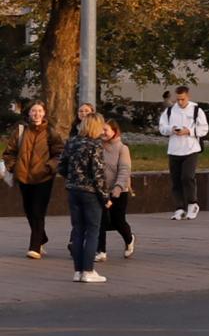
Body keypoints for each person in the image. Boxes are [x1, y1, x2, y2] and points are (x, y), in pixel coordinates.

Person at [2, 101, 64, 259]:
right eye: (34, 111)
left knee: (38, 211)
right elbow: (9, 152)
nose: (37, 114)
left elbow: (59, 153)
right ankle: (41, 237)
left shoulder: (50, 131)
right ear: (28, 113)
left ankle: (35, 247)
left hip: (43, 178)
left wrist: (49, 167)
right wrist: (13, 167)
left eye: (40, 111)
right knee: (29, 210)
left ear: (44, 113)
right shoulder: (21, 130)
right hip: (23, 177)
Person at [59, 112, 109, 283]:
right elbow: (98, 173)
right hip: (90, 193)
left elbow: (61, 166)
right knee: (93, 231)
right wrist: (105, 196)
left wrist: (72, 179)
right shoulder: (95, 146)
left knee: (78, 230)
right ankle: (88, 270)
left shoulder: (72, 142)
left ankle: (78, 271)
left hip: (73, 190)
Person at [158, 86, 209, 220]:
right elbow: (162, 127)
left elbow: (204, 129)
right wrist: (171, 129)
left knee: (187, 176)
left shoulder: (196, 110)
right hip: (174, 149)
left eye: (183, 99)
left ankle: (192, 203)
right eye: (178, 99)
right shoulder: (170, 111)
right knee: (176, 179)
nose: (180, 102)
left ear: (188, 97)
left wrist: (189, 131)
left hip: (191, 148)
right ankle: (179, 207)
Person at [97, 120, 135, 261]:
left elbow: (125, 170)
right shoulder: (97, 146)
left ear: (114, 131)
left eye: (106, 130)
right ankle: (101, 251)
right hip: (101, 190)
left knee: (118, 220)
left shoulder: (122, 148)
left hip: (119, 191)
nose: (103, 133)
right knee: (100, 220)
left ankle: (129, 238)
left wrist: (118, 188)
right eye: (101, 130)